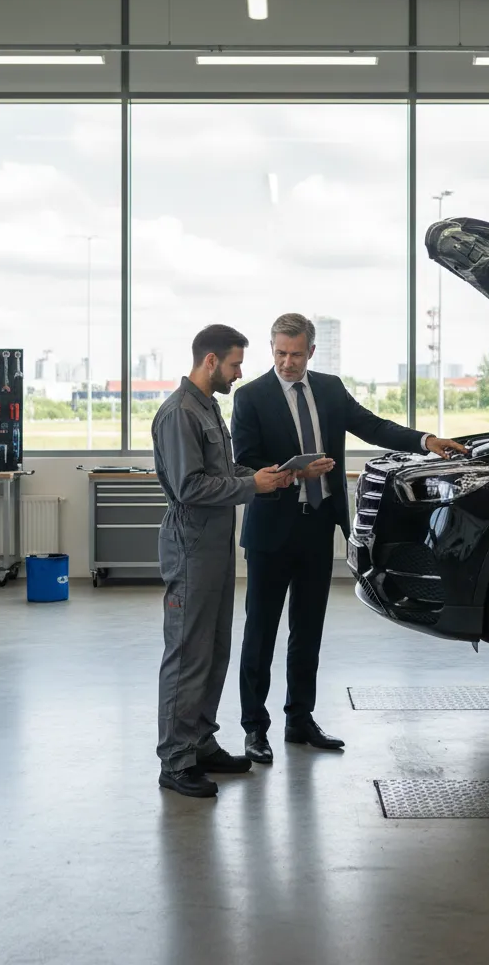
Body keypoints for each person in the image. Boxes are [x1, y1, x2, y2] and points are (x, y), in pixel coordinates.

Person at [230, 313, 467, 762]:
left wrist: (426, 440)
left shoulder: (330, 388)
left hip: (318, 526)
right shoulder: (250, 397)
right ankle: (254, 729)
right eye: (280, 352)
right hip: (271, 531)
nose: (286, 362)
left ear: (311, 352)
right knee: (260, 632)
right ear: (272, 348)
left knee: (308, 631)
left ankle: (300, 720)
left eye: (296, 354)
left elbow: (374, 426)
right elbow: (246, 461)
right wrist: (297, 469)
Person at [152, 323, 295, 798]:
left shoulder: (209, 407)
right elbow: (191, 487)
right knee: (187, 653)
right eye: (235, 363)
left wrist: (264, 475)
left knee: (214, 650)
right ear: (210, 361)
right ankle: (175, 760)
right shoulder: (178, 415)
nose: (239, 373)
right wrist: (252, 487)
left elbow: (222, 472)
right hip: (191, 546)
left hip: (215, 546)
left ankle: (201, 743)